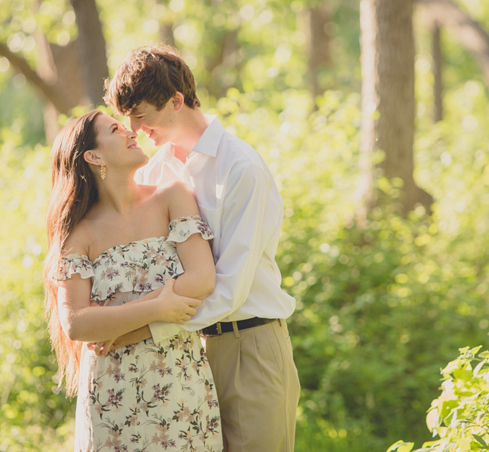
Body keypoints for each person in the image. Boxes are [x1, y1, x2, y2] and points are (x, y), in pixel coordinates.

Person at [97, 45, 300, 452]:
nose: (134, 129)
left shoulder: (240, 168)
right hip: (182, 357)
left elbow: (230, 289)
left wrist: (140, 327)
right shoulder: (155, 170)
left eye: (141, 115)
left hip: (249, 348)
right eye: (127, 118)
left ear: (176, 101)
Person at [41, 110, 222, 451]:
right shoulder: (78, 234)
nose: (131, 132)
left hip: (179, 380)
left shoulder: (172, 195)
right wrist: (158, 306)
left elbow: (201, 278)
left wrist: (122, 324)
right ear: (94, 156)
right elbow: (77, 323)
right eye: (115, 129)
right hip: (113, 394)